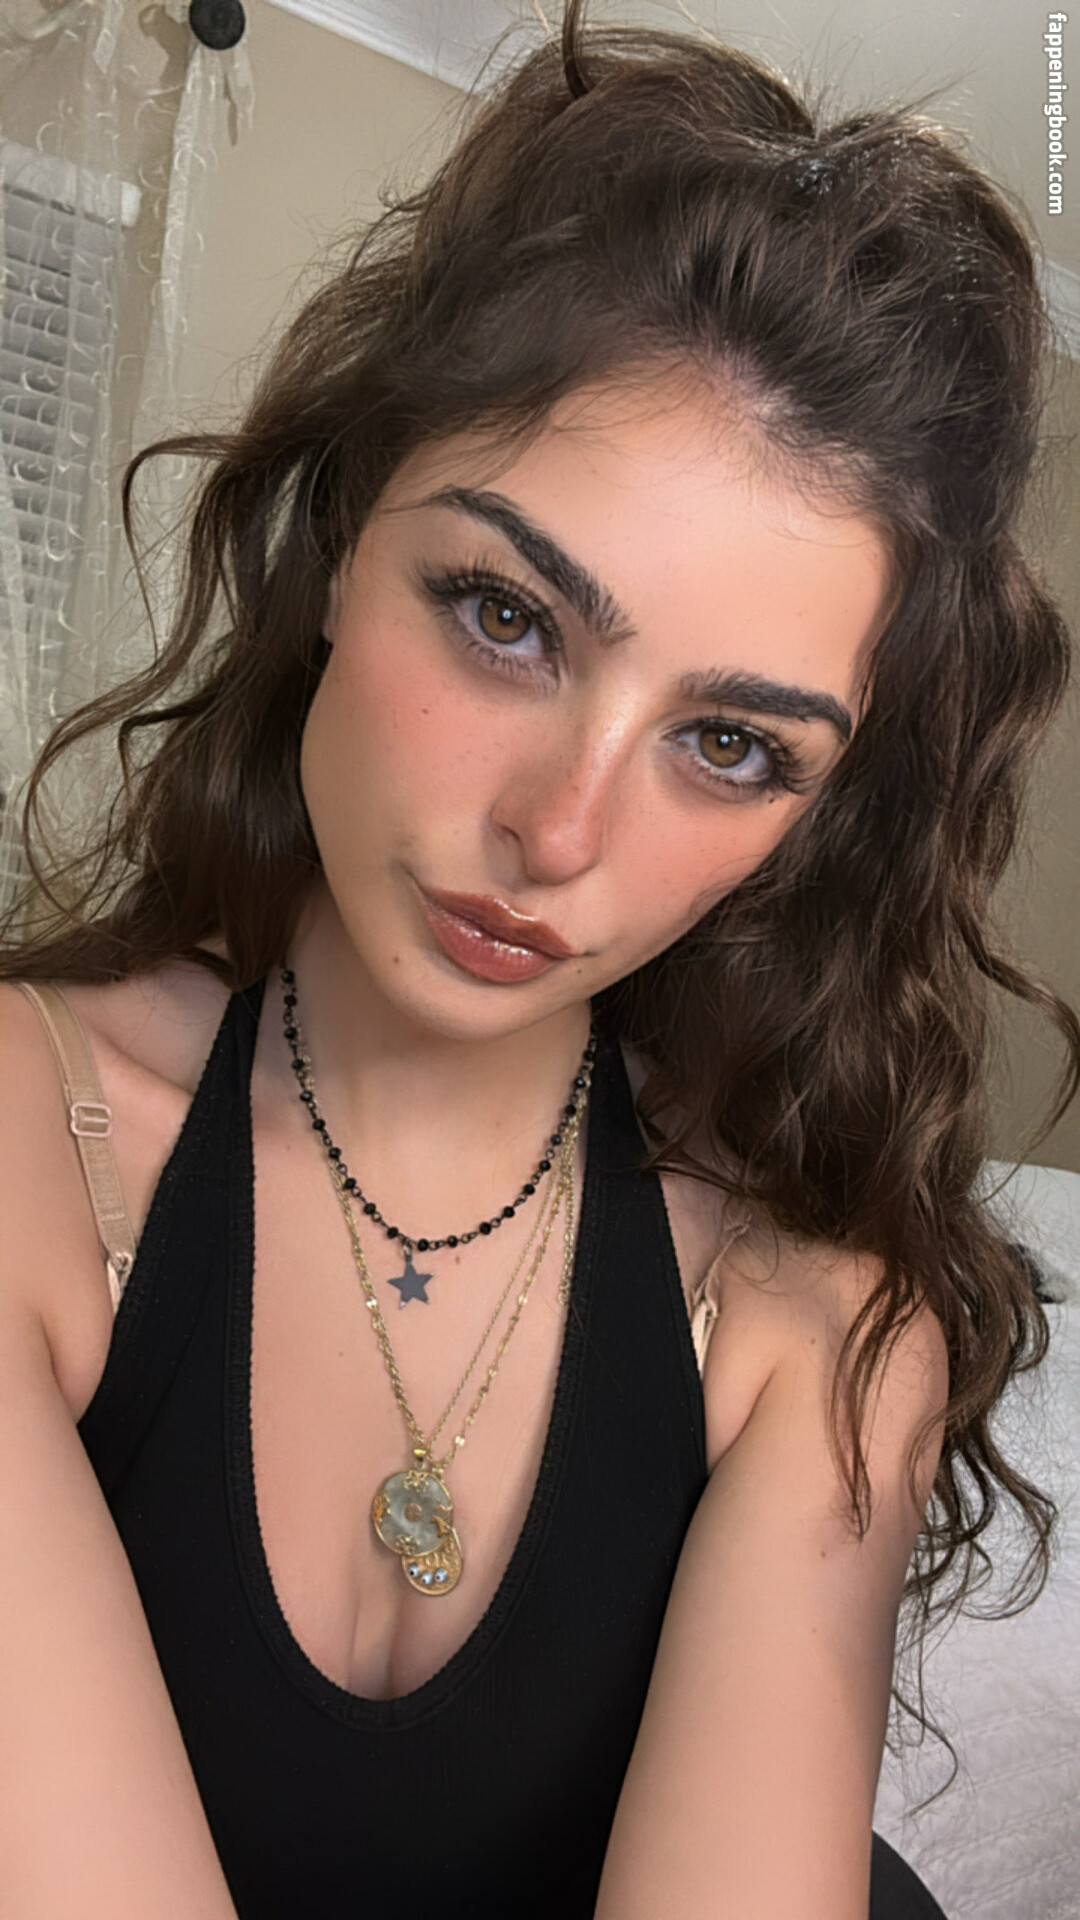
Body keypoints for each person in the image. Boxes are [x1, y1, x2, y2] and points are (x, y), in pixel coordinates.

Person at [0, 5, 1075, 1916]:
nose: (562, 833)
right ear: (343, 542)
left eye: (729, 743)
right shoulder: (32, 1142)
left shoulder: (822, 1320)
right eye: (506, 617)